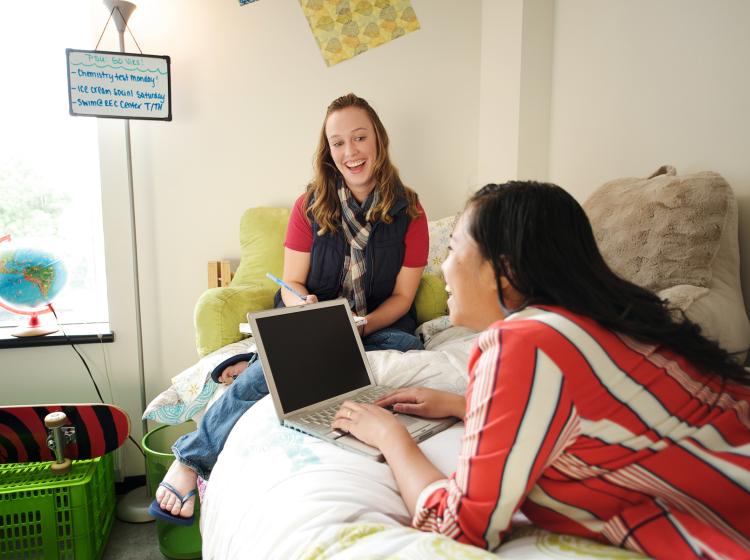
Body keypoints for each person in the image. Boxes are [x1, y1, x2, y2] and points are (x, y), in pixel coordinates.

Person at [332, 181, 750, 559]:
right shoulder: (601, 319)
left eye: (455, 248)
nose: (442, 266)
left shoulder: (521, 343)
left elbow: (456, 527)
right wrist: (468, 406)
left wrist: (391, 437)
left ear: (506, 270)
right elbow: (598, 418)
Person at [150, 93, 429, 524]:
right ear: (328, 150)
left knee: (403, 350)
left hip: (381, 325)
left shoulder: (410, 209)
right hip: (312, 326)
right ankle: (190, 459)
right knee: (278, 368)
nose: (351, 152)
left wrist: (360, 325)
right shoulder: (308, 206)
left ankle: (266, 362)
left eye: (359, 138)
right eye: (339, 142)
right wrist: (305, 305)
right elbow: (291, 283)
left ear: (378, 140)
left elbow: (403, 298)